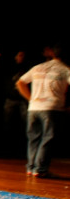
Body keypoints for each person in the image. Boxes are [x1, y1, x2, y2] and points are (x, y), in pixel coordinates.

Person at [16, 44, 70, 177]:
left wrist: (31, 99)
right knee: (48, 138)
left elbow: (20, 83)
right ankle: (40, 169)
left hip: (34, 108)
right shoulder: (65, 70)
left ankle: (31, 167)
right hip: (52, 108)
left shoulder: (38, 67)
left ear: (52, 53)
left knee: (33, 138)